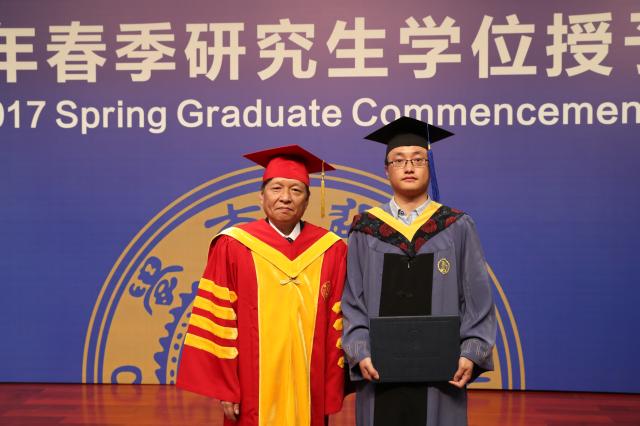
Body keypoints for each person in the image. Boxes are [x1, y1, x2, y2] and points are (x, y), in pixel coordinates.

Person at [341, 117, 497, 426]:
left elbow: (477, 298)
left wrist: (471, 351)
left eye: (418, 159)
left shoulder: (456, 225)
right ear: (386, 170)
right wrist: (360, 350)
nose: (409, 167)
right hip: (379, 367)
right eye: (399, 160)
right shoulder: (365, 229)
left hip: (441, 370)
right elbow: (353, 299)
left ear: (429, 166)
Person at [177, 145, 347, 426]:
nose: (285, 197)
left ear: (307, 200)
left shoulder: (331, 249)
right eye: (276, 188)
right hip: (250, 385)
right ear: (261, 196)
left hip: (310, 384)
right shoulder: (233, 245)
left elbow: (337, 323)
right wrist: (226, 387)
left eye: (296, 190)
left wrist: (330, 387)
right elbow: (218, 321)